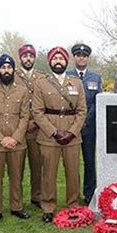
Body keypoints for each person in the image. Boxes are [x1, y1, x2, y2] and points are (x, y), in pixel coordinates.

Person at [32, 46, 87, 223]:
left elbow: (82, 110)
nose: (58, 61)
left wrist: (72, 132)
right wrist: (54, 132)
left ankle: (73, 205)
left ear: (66, 61)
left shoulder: (76, 83)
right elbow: (37, 112)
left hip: (72, 135)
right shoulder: (41, 83)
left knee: (73, 171)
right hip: (49, 136)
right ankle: (48, 206)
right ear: (50, 62)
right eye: (54, 59)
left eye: (61, 59)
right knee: (48, 172)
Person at [0, 54, 30, 224]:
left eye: (9, 67)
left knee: (16, 176)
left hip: (17, 142)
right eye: (3, 67)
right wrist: (1, 139)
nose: (6, 70)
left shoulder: (22, 91)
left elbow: (25, 117)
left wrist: (15, 138)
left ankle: (17, 207)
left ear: (13, 69)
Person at [67, 43, 103, 205]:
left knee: (89, 160)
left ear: (88, 58)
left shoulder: (96, 77)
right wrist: (76, 122)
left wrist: (85, 120)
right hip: (70, 127)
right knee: (72, 162)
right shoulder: (67, 76)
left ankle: (90, 193)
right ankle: (73, 194)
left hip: (89, 127)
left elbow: (98, 102)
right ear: (74, 57)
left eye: (84, 55)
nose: (81, 58)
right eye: (78, 55)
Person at [14, 44, 46, 208]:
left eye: (31, 56)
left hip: (36, 128)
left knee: (37, 165)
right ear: (20, 58)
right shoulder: (12, 76)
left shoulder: (42, 77)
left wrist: (34, 121)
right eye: (25, 56)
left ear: (34, 58)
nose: (28, 59)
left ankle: (37, 196)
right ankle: (17, 200)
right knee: (16, 168)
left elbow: (45, 102)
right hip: (17, 129)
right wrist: (22, 123)